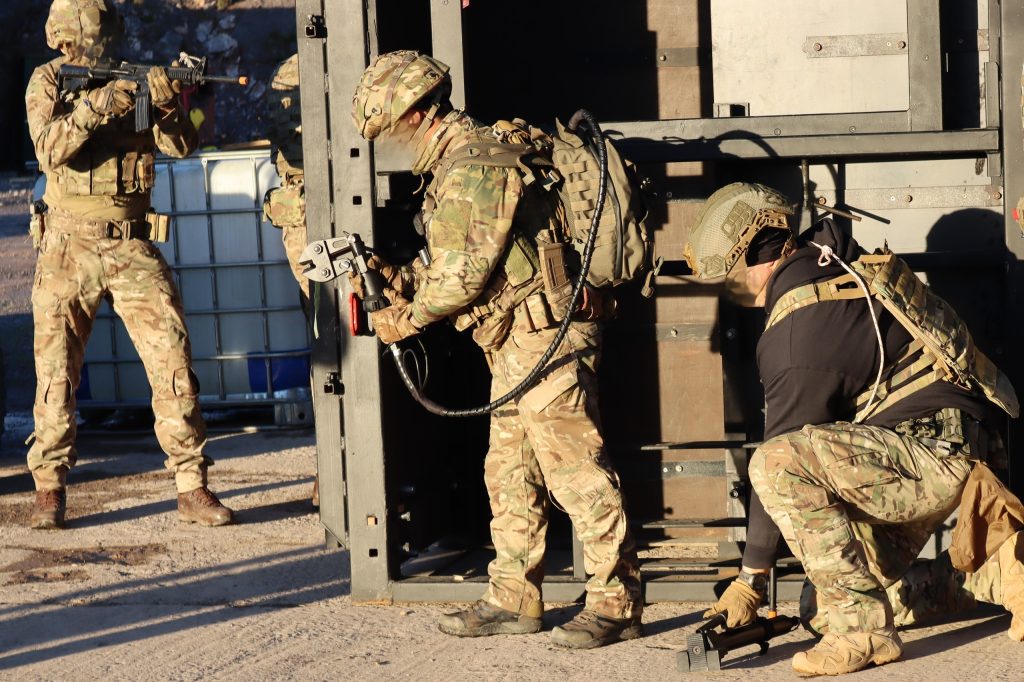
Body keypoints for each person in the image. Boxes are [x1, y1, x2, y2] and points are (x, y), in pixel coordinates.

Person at [350, 50, 642, 648]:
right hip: (516, 338)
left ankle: (616, 600)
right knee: (510, 472)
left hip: (543, 334)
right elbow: (464, 266)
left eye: (392, 129)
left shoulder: (473, 168)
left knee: (574, 469)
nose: (392, 146)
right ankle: (515, 594)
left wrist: (405, 318)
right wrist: (398, 277)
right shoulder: (462, 165)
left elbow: (460, 280)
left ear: (419, 113)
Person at [683, 182, 1024, 675]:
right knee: (819, 607)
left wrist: (751, 579)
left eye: (732, 276)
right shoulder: (838, 263)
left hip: (929, 457)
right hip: (945, 450)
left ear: (757, 252)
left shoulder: (797, 334)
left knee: (775, 462)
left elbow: (782, 458)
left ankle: (863, 633)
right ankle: (1002, 572)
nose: (734, 290)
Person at [24, 0, 232, 529]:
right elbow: (50, 150)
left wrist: (166, 102)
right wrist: (101, 104)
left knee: (174, 365)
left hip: (134, 247)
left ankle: (191, 485)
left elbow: (182, 146)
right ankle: (49, 489)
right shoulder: (48, 81)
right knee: (56, 374)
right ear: (65, 39)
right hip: (68, 246)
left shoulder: (137, 78)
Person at [263, 52, 318, 508]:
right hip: (311, 221)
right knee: (335, 347)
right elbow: (295, 156)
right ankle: (337, 467)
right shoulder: (296, 71)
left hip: (318, 219)